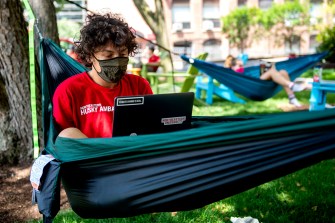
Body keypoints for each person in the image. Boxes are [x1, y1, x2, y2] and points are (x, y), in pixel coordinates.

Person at [52, 12, 153, 139]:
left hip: (132, 153)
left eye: (122, 54)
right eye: (108, 55)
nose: (116, 61)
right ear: (90, 56)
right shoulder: (68, 91)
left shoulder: (139, 85)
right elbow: (63, 138)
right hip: (91, 156)